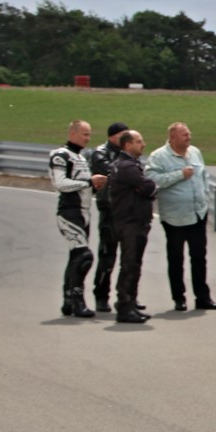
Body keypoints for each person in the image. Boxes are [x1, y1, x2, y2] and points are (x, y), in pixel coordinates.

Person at [146, 123, 216, 311]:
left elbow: (203, 175)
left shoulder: (195, 152)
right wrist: (179, 174)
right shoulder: (159, 156)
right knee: (176, 258)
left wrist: (205, 196)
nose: (188, 137)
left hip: (198, 213)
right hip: (174, 217)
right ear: (172, 138)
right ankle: (179, 298)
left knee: (199, 257)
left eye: (189, 133)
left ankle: (203, 297)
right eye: (184, 135)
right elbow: (151, 180)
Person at [49, 120, 108, 318]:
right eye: (84, 134)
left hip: (85, 212)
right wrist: (88, 182)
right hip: (69, 211)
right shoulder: (60, 155)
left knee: (76, 257)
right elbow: (60, 184)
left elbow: (81, 184)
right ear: (73, 134)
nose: (88, 138)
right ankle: (78, 301)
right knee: (84, 257)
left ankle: (68, 300)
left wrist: (93, 185)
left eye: (89, 134)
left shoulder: (82, 157)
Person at [110, 130, 157, 324]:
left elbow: (147, 188)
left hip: (135, 220)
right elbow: (148, 187)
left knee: (134, 265)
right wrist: (147, 188)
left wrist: (147, 189)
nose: (143, 144)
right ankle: (124, 306)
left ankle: (130, 303)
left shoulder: (130, 165)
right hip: (130, 222)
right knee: (130, 265)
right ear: (128, 145)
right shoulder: (126, 166)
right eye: (139, 141)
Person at [88, 121, 128, 313]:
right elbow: (114, 172)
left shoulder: (127, 152)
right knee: (107, 255)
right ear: (113, 136)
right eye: (123, 135)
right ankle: (101, 296)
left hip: (127, 210)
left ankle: (127, 297)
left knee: (129, 258)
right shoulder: (100, 152)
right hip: (109, 209)